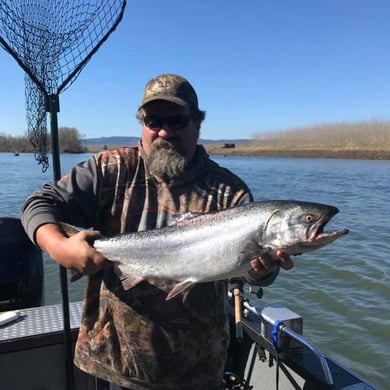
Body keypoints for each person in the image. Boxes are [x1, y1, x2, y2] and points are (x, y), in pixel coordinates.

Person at [21, 74, 293, 390]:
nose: (164, 131)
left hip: (198, 368)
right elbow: (38, 203)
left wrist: (261, 271)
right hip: (118, 361)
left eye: (177, 121)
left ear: (197, 124)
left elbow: (246, 274)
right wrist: (59, 248)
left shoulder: (229, 192)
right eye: (153, 121)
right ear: (142, 124)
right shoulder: (111, 169)